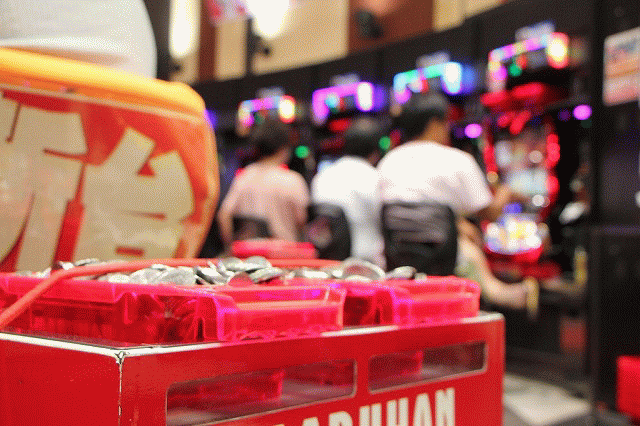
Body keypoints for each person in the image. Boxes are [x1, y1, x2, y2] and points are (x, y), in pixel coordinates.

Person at [377, 93, 538, 315]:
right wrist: (505, 192)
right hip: (445, 264)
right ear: (434, 123)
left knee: (463, 234)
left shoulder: (388, 161)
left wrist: (457, 223)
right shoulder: (457, 159)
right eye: (446, 122)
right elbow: (490, 213)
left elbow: (415, 209)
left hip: (397, 266)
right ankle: (498, 293)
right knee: (468, 243)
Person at [217, 118, 310, 248]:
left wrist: (231, 248)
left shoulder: (244, 176)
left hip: (250, 256)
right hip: (286, 256)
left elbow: (223, 215)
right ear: (284, 148)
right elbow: (303, 222)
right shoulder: (293, 180)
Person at [310, 116, 385, 266]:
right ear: (376, 150)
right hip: (367, 265)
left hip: (327, 264)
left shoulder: (322, 176)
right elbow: (386, 222)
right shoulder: (374, 178)